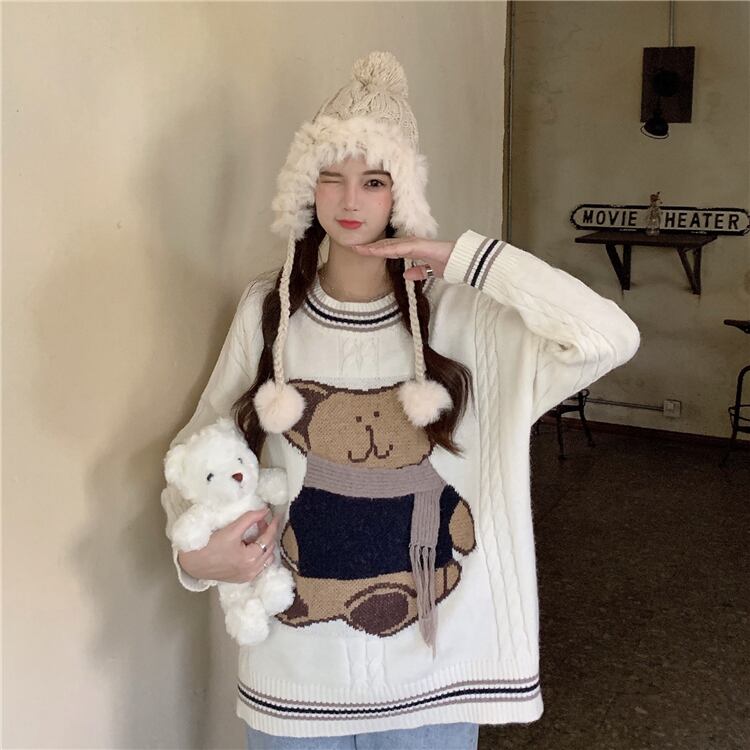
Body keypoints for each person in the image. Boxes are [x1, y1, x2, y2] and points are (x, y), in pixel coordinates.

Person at [160, 51, 641, 750]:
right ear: (306, 187)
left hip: (433, 687)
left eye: (375, 181)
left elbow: (609, 337)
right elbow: (202, 448)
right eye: (331, 177)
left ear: (402, 194)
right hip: (295, 680)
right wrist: (195, 557)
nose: (349, 201)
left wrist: (466, 260)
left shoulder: (468, 320)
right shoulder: (269, 309)